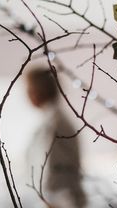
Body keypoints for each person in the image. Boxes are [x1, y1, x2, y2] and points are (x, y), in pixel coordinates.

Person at [26, 67, 86, 208]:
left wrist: (51, 202)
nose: (27, 94)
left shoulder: (57, 124)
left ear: (39, 91)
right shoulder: (50, 120)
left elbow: (57, 171)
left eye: (29, 88)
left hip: (62, 201)